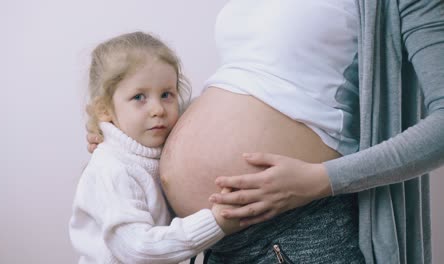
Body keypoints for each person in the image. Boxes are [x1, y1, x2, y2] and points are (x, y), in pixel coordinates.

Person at [88, 1, 444, 263]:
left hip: (298, 229)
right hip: (214, 241)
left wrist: (319, 180)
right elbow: (254, 81)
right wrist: (135, 131)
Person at [70, 31, 239, 264]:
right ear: (104, 109)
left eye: (166, 94)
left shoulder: (152, 147)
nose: (158, 109)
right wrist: (216, 221)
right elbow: (138, 249)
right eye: (140, 97)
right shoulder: (111, 170)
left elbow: (193, 108)